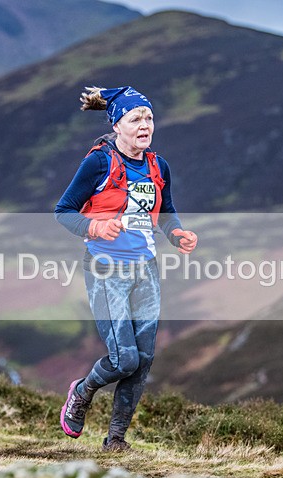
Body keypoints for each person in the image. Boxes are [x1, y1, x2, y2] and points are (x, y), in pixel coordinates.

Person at [54, 85, 198, 451]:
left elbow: (166, 212)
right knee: (124, 359)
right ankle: (82, 391)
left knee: (143, 360)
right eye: (135, 119)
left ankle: (115, 440)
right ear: (117, 125)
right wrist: (95, 227)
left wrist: (177, 234)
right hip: (106, 269)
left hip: (145, 271)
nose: (145, 125)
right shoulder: (99, 163)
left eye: (149, 118)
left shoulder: (158, 166)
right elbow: (64, 211)